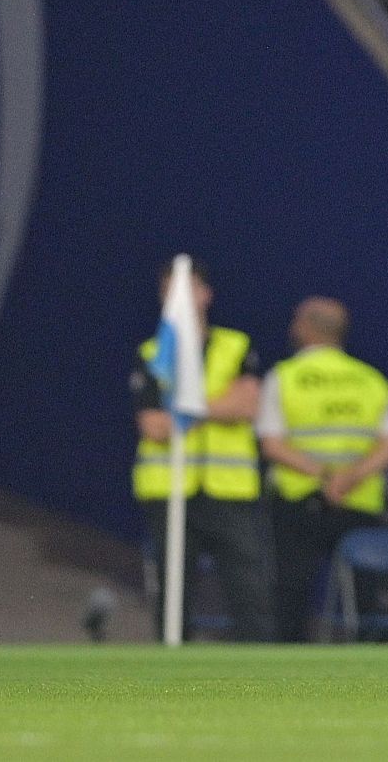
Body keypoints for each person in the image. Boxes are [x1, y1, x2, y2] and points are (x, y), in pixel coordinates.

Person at [129, 261, 274, 641]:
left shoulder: (236, 346)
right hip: (170, 489)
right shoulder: (151, 353)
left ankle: (260, 679)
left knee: (250, 592)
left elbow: (248, 404)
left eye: (189, 288)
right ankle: (175, 679)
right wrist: (217, 406)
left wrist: (188, 408)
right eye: (170, 290)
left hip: (230, 491)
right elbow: (154, 427)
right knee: (173, 594)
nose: (179, 298)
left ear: (207, 294)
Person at [257, 297, 388, 642]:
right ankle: (373, 674)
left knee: (291, 592)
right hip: (358, 502)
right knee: (365, 595)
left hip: (298, 501)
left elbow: (271, 444)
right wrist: (349, 477)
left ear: (305, 328)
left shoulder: (285, 377)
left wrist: (323, 475)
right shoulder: (371, 380)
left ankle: (287, 671)